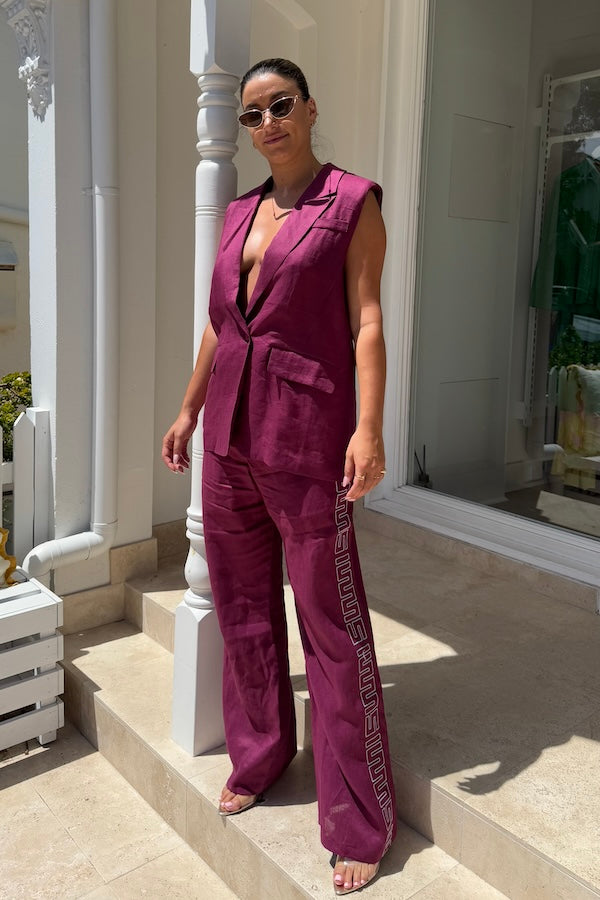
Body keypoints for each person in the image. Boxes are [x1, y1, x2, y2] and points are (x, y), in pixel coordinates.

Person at [162, 58, 397, 896]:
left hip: (306, 441)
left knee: (331, 627)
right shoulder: (237, 213)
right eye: (253, 114)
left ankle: (359, 818)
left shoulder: (353, 202)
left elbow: (367, 322)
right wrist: (188, 409)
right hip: (228, 441)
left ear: (310, 108)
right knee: (244, 613)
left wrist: (368, 428)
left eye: (281, 105)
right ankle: (260, 756)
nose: (268, 123)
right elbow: (220, 326)